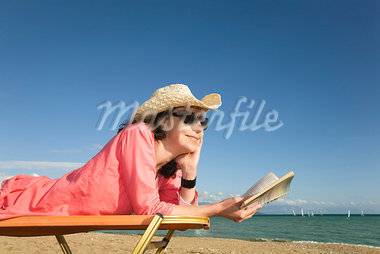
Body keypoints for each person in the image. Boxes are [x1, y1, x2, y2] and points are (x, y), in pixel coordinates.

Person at [0, 84, 261, 222]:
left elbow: (178, 218)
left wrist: (190, 171)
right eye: (191, 118)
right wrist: (218, 208)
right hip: (38, 201)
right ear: (165, 120)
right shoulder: (137, 135)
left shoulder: (167, 168)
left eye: (203, 122)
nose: (199, 128)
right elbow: (150, 209)